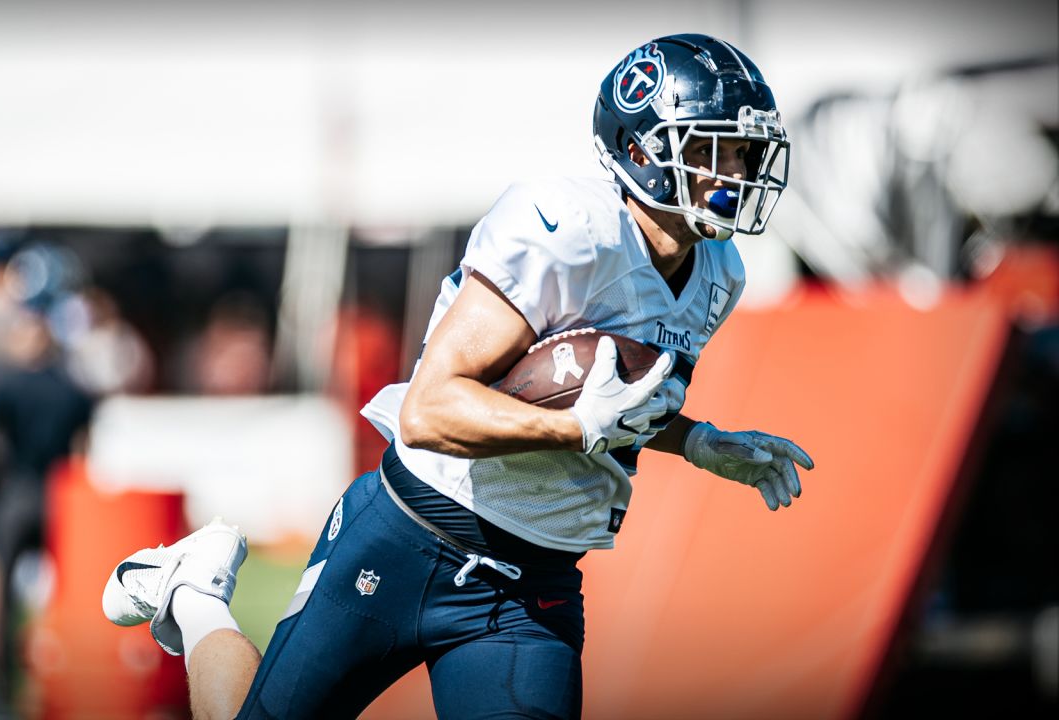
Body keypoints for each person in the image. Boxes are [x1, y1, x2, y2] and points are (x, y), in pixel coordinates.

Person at [102, 33, 814, 719]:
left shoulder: (720, 273)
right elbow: (429, 411)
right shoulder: (567, 233)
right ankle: (195, 594)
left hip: (532, 584)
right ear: (640, 149)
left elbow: (616, 405)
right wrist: (570, 428)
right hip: (411, 537)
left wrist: (695, 441)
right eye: (721, 152)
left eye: (749, 154)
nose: (741, 175)